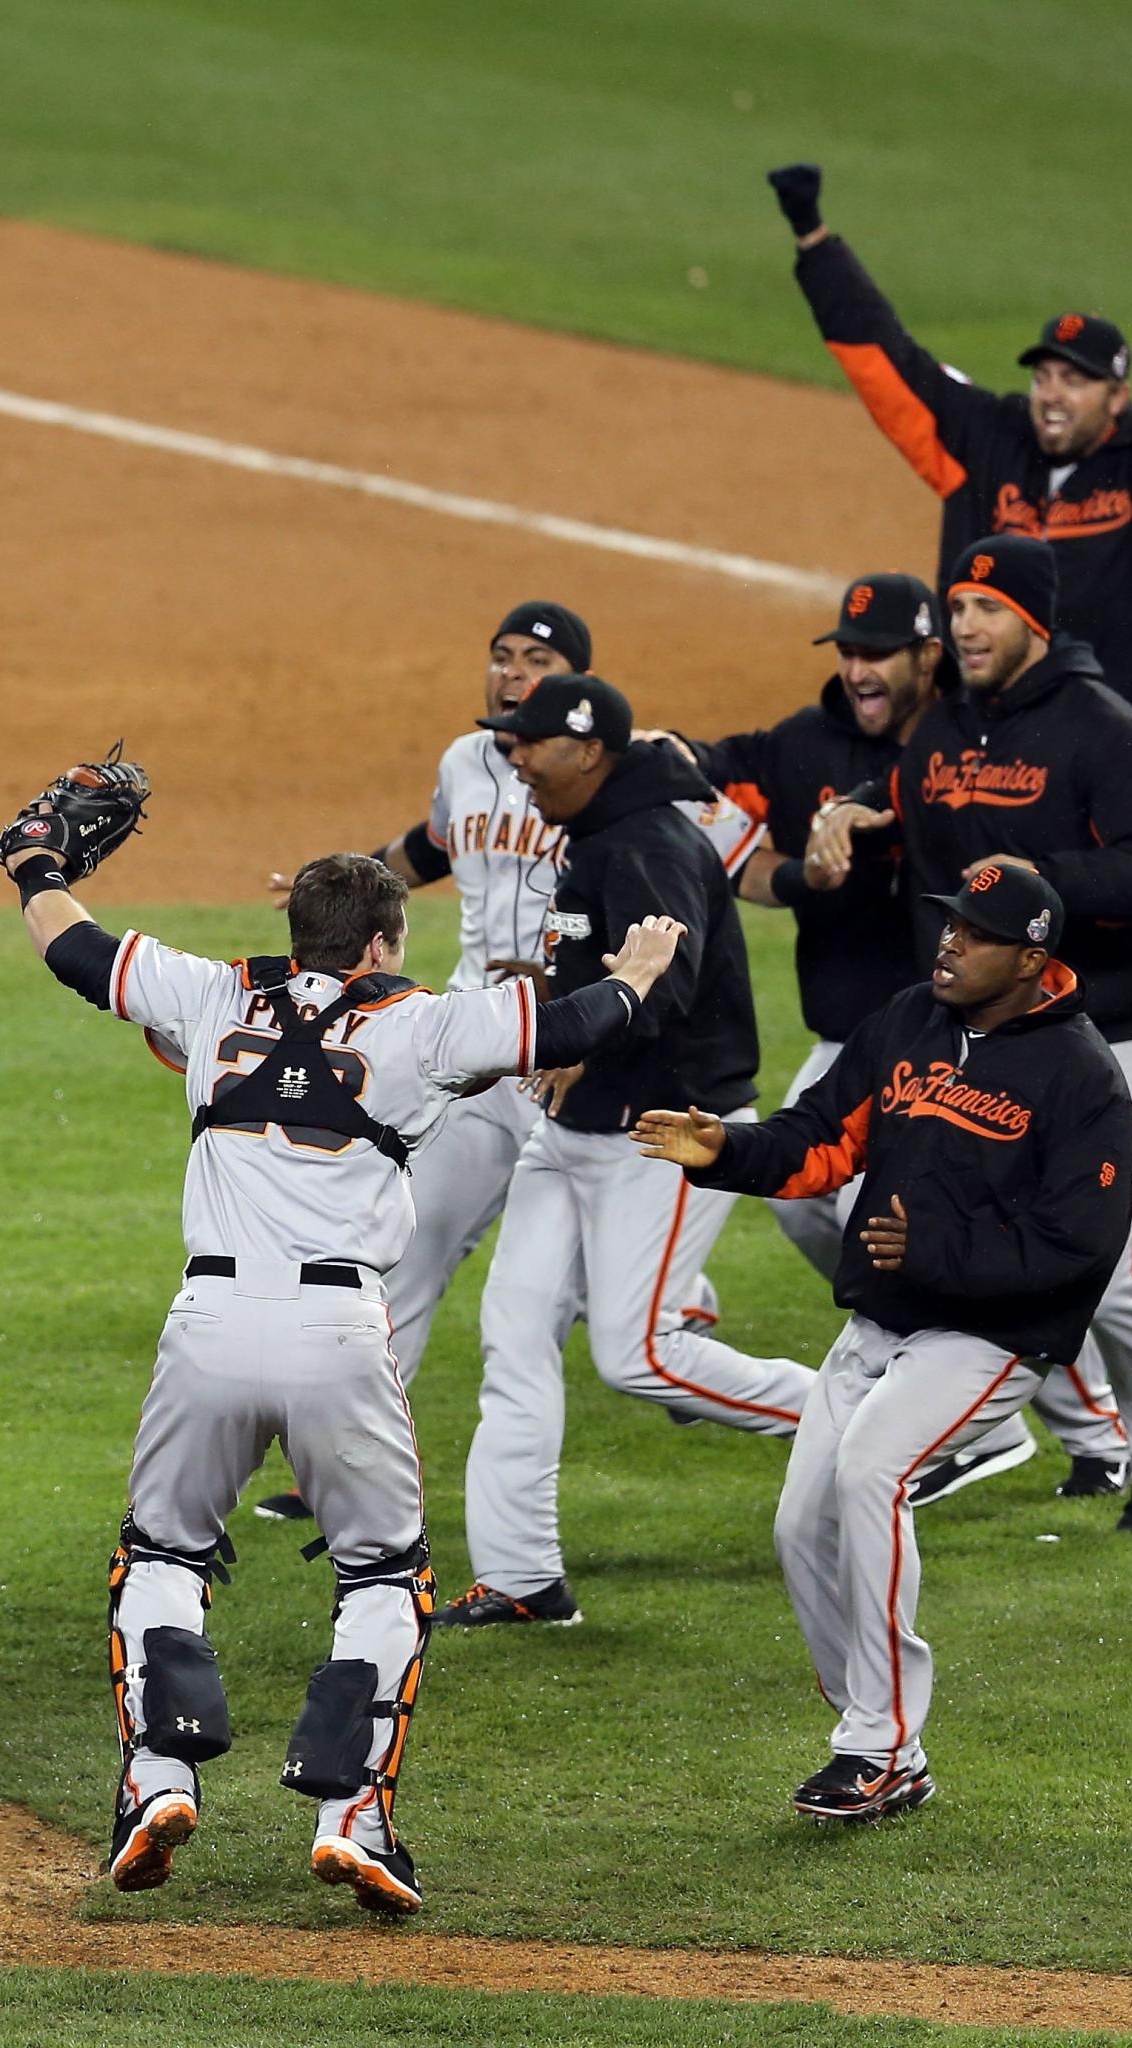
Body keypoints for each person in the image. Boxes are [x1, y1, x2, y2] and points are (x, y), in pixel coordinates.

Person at [1, 784, 682, 1913]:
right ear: (380, 941)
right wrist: (640, 970)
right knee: (383, 1570)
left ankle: (157, 1779)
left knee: (163, 1552)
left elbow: (77, 952)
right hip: (340, 1331)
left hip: (207, 1323)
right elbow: (569, 1026)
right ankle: (353, 1813)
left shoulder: (212, 989)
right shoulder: (424, 1021)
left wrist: (33, 867)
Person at [635, 863, 1132, 1820]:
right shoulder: (909, 1021)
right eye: (948, 924)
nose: (949, 942)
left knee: (873, 1474)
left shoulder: (1081, 1078)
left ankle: (883, 1746)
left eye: (975, 934)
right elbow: (824, 1135)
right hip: (881, 1323)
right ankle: (870, 1719)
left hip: (987, 1338)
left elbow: (1082, 1250)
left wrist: (942, 1251)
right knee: (799, 1526)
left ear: (1032, 960)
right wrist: (730, 1150)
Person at [246, 601, 755, 1529]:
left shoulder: (638, 797)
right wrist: (340, 880)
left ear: (580, 714)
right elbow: (431, 848)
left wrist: (815, 876)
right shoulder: (472, 765)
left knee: (620, 1326)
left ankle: (677, 1303)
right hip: (486, 1049)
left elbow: (721, 886)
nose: (511, 674)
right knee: (407, 1244)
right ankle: (346, 1468)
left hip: (590, 1054)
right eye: (502, 657)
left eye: (536, 661)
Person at [679, 573, 1126, 1505]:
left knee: (1025, 1238)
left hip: (987, 1036)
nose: (858, 669)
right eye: (846, 652)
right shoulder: (805, 746)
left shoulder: (960, 744)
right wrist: (660, 753)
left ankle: (1031, 1423)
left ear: (929, 656)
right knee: (827, 1205)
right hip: (877, 1038)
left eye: (877, 652)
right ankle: (953, 1389)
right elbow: (715, 768)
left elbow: (980, 833)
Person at [820, 536, 1132, 1532]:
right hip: (977, 1037)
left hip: (1106, 1027)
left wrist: (1034, 888)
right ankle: (1084, 1428)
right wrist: (855, 813)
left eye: (986, 611)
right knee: (983, 1241)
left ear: (1034, 624)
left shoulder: (1107, 730)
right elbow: (914, 797)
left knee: (1105, 1269)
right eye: (958, 610)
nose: (966, 627)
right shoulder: (948, 724)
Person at [440, 676, 813, 1631]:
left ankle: (877, 1425)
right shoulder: (595, 834)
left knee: (641, 1353)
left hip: (667, 1135)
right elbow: (580, 961)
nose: (513, 759)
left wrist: (580, 1036)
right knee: (514, 1332)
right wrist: (544, 1023)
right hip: (573, 1128)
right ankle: (524, 1577)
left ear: (588, 750)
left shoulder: (649, 845)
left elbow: (669, 987)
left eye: (528, 745)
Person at [768, 162, 1132, 722]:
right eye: (1044, 376)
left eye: (1075, 381)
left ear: (1117, 398)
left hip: (1106, 748)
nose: (1052, 395)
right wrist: (813, 237)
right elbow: (890, 360)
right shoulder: (986, 442)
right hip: (980, 737)